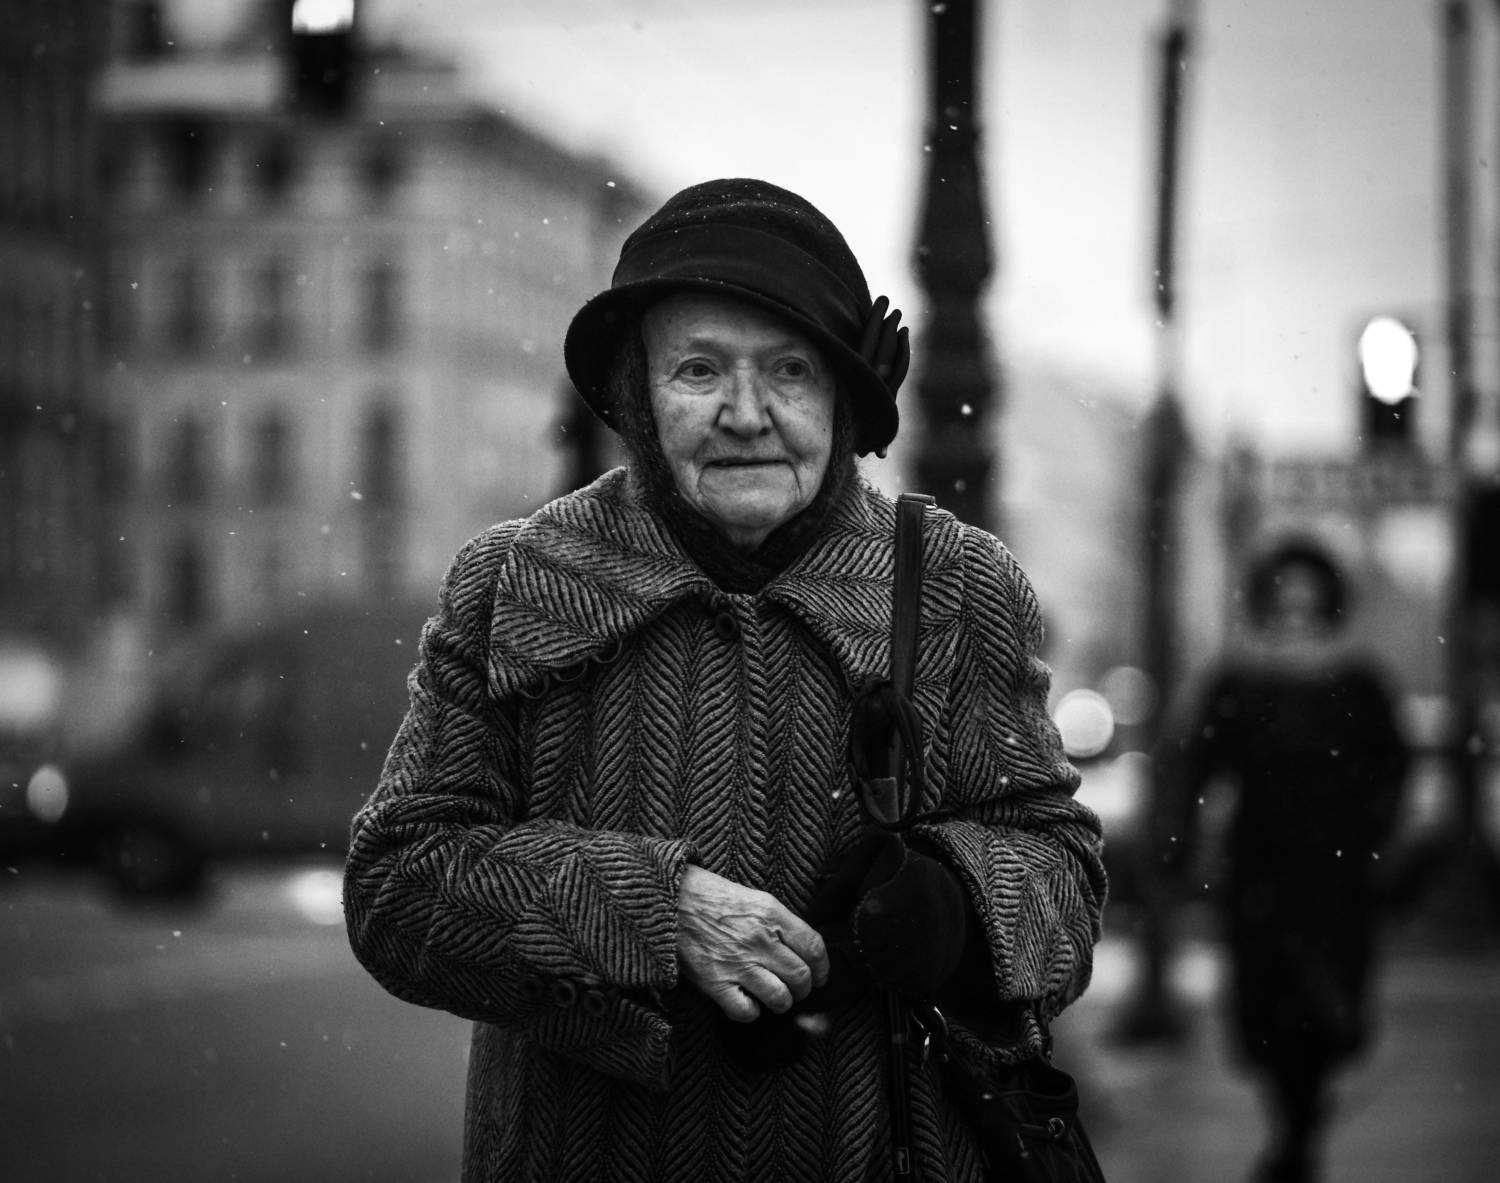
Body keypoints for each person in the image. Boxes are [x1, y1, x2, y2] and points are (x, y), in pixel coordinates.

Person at [343, 177, 1107, 1183]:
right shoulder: (513, 582)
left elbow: (1065, 879)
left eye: (789, 371)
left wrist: (959, 904)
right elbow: (396, 886)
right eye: (699, 369)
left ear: (842, 396)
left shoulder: (957, 585)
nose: (747, 414)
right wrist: (656, 910)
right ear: (637, 397)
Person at [1153, 539, 1409, 1183]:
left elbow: (1391, 767)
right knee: (1268, 1012)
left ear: (1327, 597)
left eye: (1307, 591)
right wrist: (1180, 836)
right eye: (1285, 590)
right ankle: (1294, 1132)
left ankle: (1297, 1137)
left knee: (1325, 1011)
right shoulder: (1242, 678)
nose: (1296, 604)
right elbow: (1197, 763)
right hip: (1261, 870)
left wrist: (1370, 836)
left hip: (1334, 877)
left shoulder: (1358, 680)